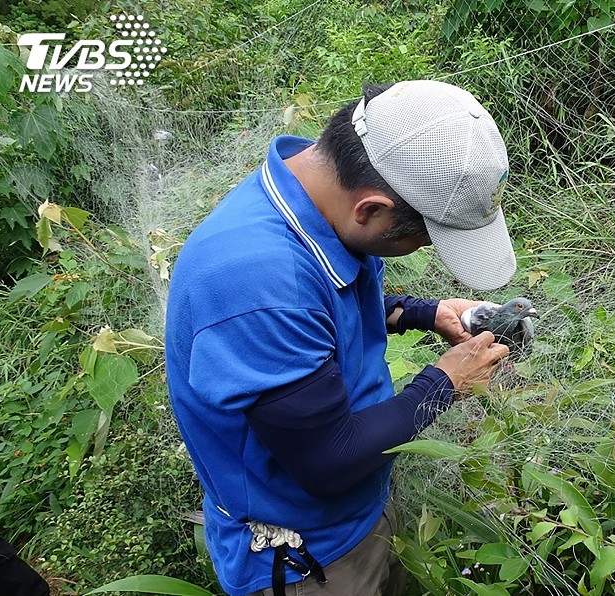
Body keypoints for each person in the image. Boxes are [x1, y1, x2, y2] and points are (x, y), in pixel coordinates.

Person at [164, 80, 516, 596]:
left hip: (361, 506)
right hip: (312, 558)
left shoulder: (314, 191)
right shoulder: (258, 280)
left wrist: (427, 312)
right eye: (424, 237)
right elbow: (331, 461)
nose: (422, 250)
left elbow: (329, 309)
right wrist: (446, 382)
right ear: (370, 209)